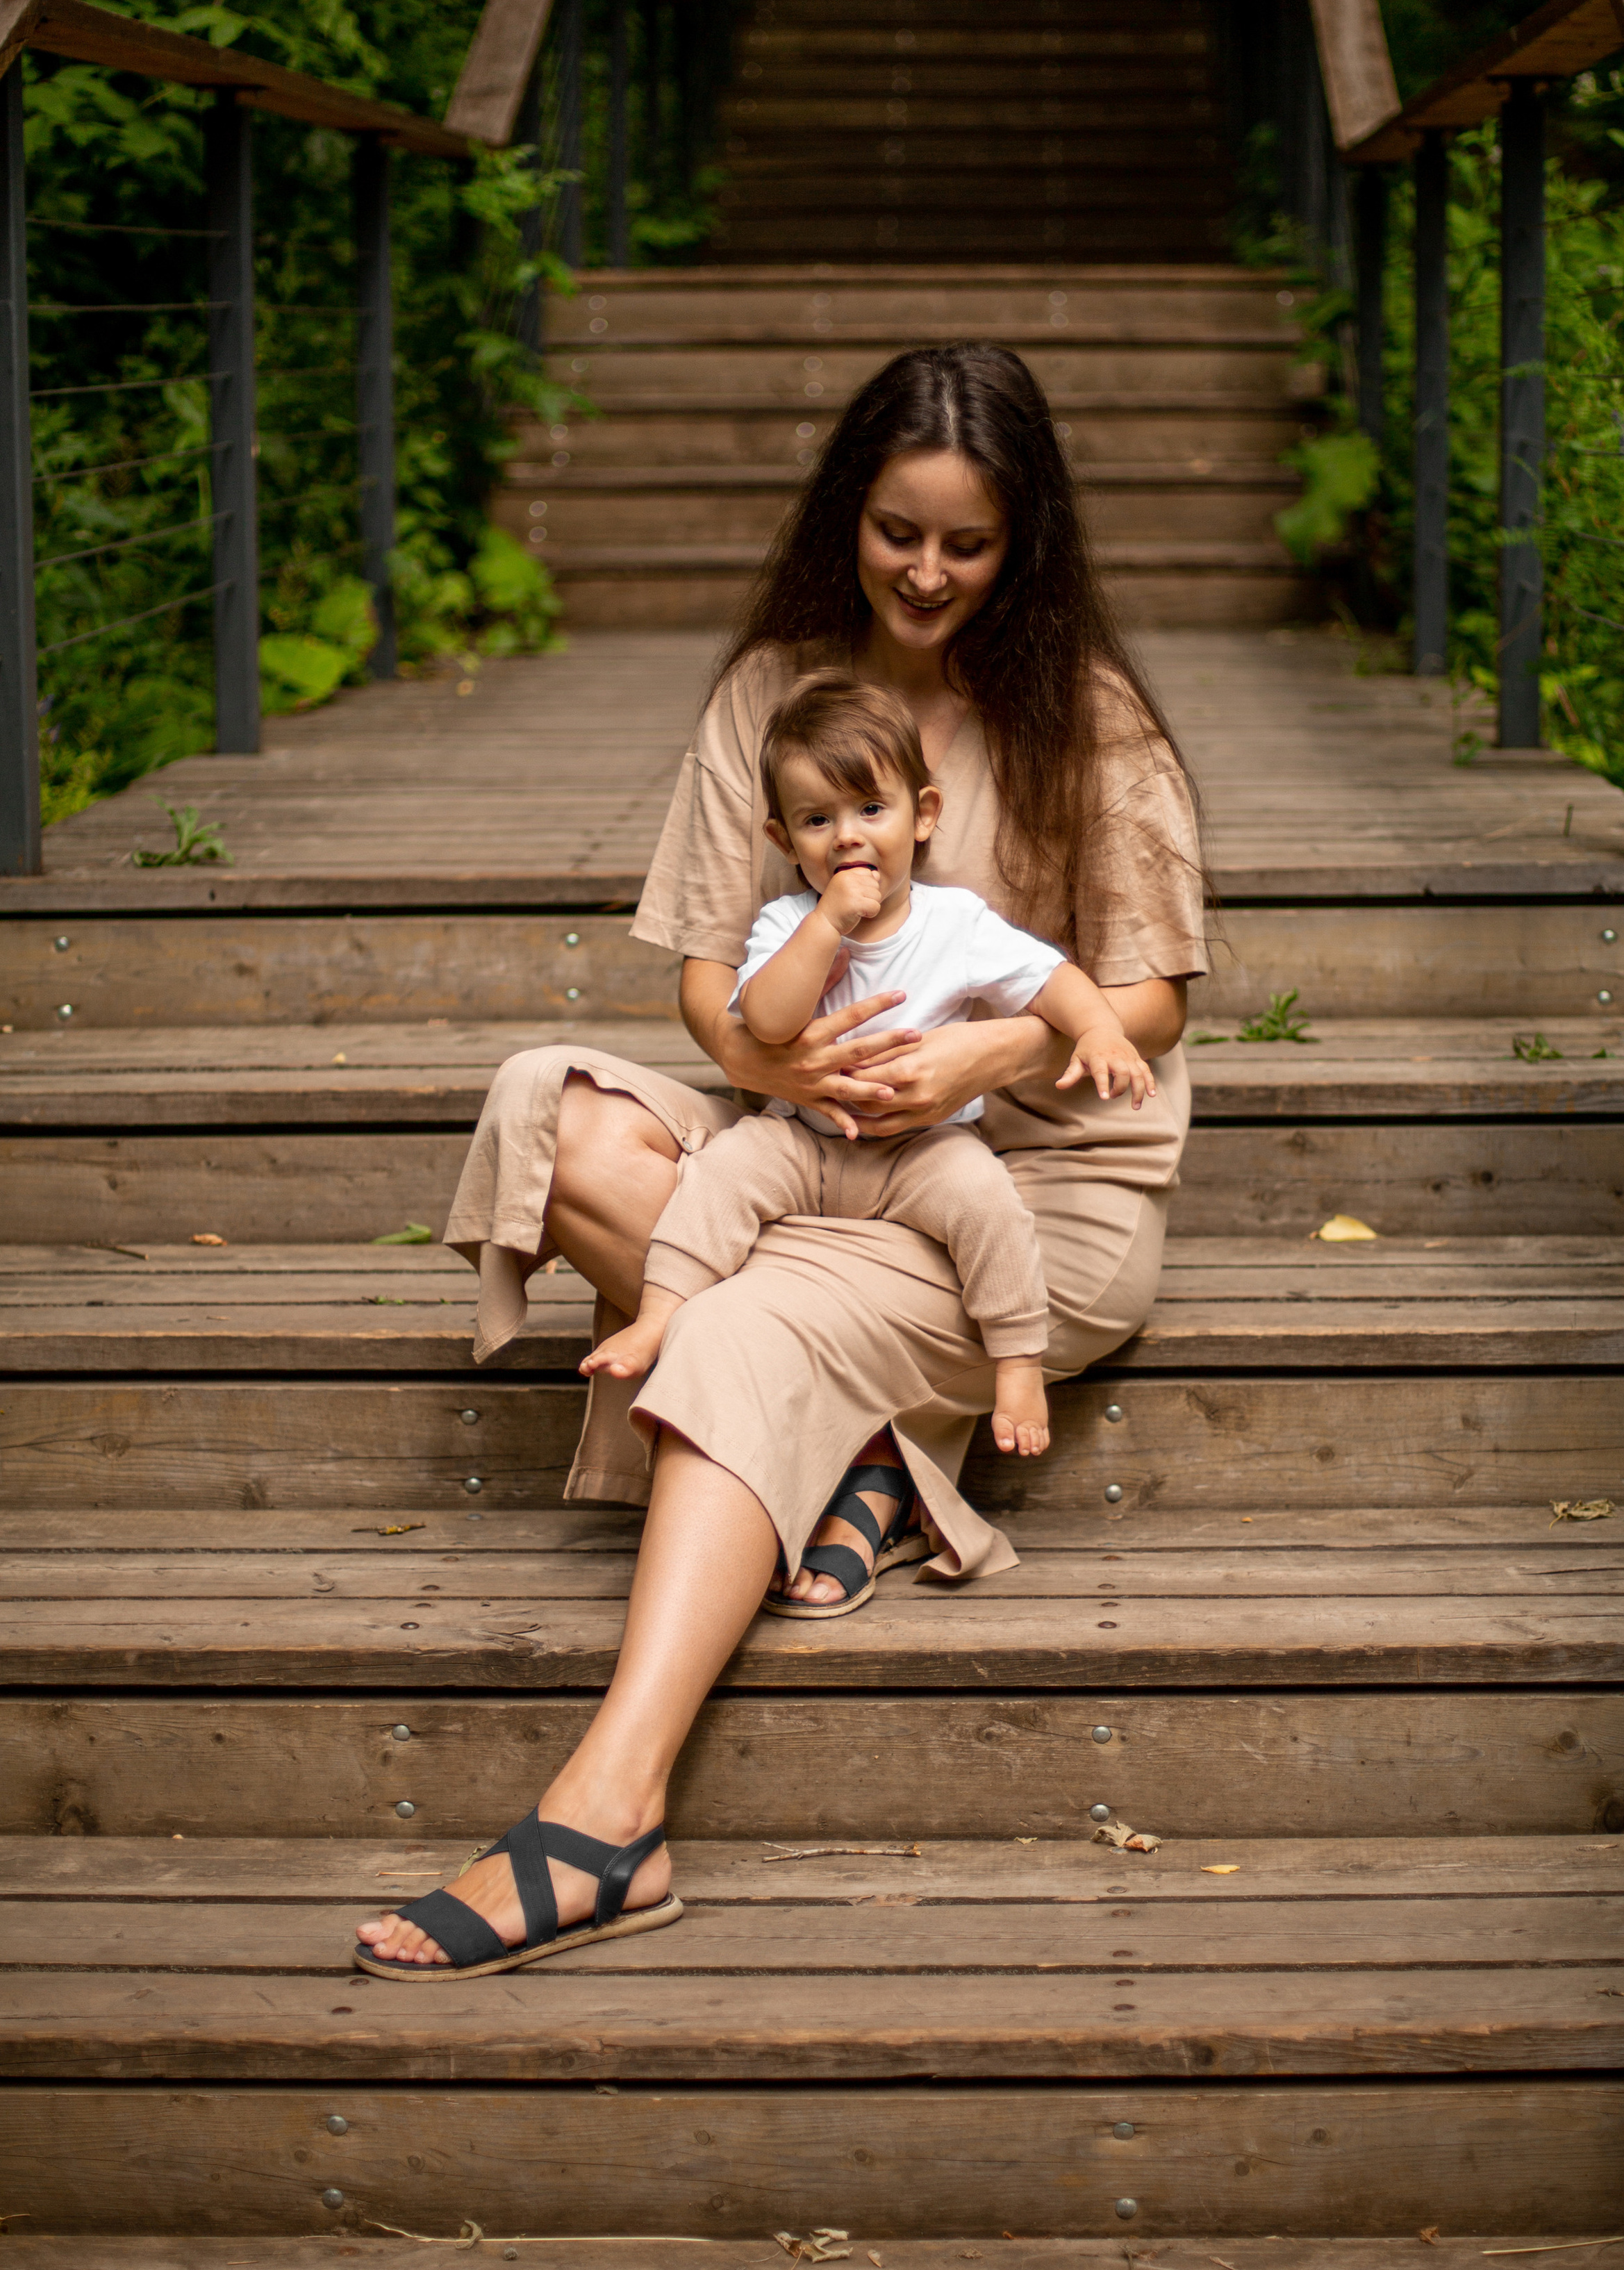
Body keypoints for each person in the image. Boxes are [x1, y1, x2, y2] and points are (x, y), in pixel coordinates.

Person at [354, 339, 1206, 1981]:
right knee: (554, 1105)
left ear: (1022, 540)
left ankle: (607, 1817)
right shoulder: (770, 694)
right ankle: (871, 1459)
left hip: (1031, 1198)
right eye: (900, 531)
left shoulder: (1084, 716)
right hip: (811, 1147)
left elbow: (1152, 996)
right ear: (849, 512)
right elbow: (694, 977)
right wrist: (773, 1056)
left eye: (969, 541)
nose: (931, 571)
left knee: (739, 1318)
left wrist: (988, 1047)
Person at [587, 670, 1157, 1495]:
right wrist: (827, 924)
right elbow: (770, 1023)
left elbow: (1049, 979)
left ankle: (1018, 1358)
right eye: (819, 820)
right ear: (785, 841)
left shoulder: (954, 922)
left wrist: (1099, 1026)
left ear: (922, 817)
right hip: (805, 1143)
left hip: (923, 1148)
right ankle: (661, 1313)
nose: (847, 837)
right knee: (719, 1175)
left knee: (988, 1202)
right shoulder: (786, 923)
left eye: (870, 811)